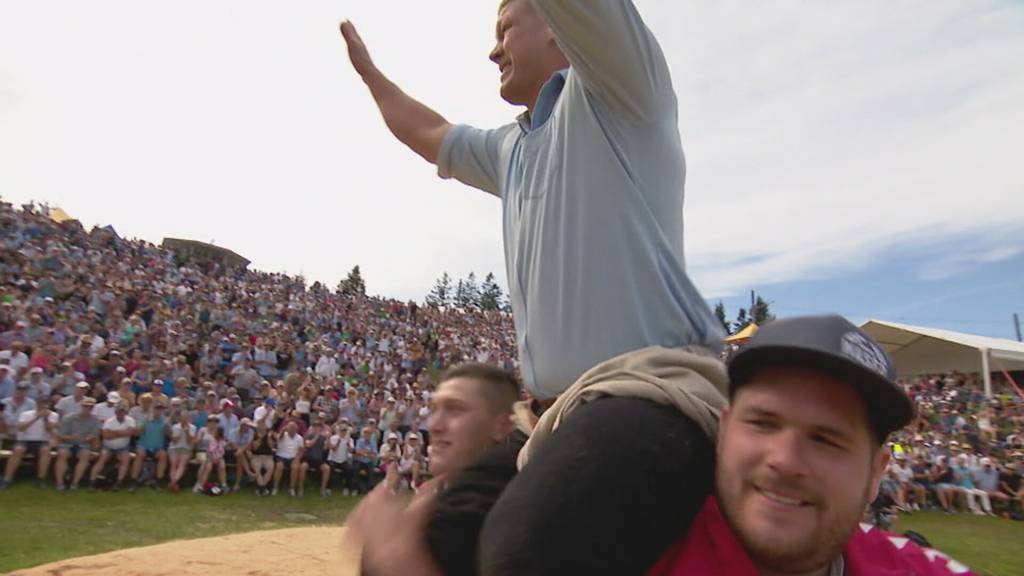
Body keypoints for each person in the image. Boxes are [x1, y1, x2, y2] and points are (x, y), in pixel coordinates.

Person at [342, 2, 728, 573]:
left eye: (504, 30)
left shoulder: (623, 91)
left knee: (527, 549)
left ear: (558, 24)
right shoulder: (511, 148)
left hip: (647, 394)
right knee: (439, 540)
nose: (493, 50)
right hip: (551, 418)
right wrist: (373, 78)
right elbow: (429, 132)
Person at [647, 315, 974, 575]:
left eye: (826, 439)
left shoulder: (916, 569)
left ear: (876, 474)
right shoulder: (629, 546)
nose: (785, 460)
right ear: (724, 432)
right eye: (762, 423)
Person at [350, 363, 523, 576]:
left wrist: (391, 553)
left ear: (502, 426)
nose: (433, 425)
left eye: (455, 409)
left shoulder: (509, 506)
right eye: (434, 409)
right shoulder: (436, 495)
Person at [1, 395, 58, 490]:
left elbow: (50, 430)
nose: (43, 405)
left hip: (42, 441)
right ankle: (7, 478)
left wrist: (45, 419)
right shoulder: (26, 414)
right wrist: (37, 417)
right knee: (18, 450)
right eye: (41, 403)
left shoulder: (53, 415)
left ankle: (41, 479)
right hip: (24, 440)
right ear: (37, 404)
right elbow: (21, 428)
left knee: (45, 450)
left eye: (46, 403)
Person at [53, 397, 100, 491]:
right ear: (81, 406)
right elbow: (60, 435)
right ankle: (60, 483)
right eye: (86, 406)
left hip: (83, 445)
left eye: (91, 407)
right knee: (62, 454)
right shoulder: (68, 418)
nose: (88, 408)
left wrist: (90, 438)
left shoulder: (94, 420)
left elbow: (94, 435)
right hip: (67, 443)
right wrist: (71, 438)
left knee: (85, 456)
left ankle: (75, 483)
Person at [89, 401, 136, 491]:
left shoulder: (130, 420)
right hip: (108, 446)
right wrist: (123, 433)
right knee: (102, 459)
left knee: (125, 459)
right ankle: (92, 481)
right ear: (116, 412)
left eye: (123, 411)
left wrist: (114, 432)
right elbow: (106, 436)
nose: (121, 413)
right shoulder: (109, 421)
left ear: (126, 412)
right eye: (119, 411)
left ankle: (118, 482)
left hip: (123, 447)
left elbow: (130, 433)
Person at [130, 401, 169, 491]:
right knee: (139, 455)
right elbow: (136, 433)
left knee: (163, 455)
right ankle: (133, 481)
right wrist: (145, 424)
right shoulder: (145, 419)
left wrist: (167, 427)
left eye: (160, 409)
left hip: (157, 448)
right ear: (152, 409)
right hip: (144, 446)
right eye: (156, 409)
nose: (158, 411)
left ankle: (157, 481)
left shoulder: (165, 420)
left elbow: (170, 435)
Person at [299, 412, 332, 498]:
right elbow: (308, 445)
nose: (317, 428)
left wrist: (328, 441)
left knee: (327, 469)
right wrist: (317, 435)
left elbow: (325, 448)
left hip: (319, 460)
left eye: (319, 427)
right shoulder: (308, 436)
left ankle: (323, 489)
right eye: (315, 427)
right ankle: (300, 489)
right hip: (308, 459)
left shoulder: (323, 438)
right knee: (303, 467)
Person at [167, 410, 197, 493]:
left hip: (186, 448)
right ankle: (175, 484)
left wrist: (187, 432)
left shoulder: (193, 427)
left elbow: (190, 441)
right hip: (174, 447)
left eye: (186, 417)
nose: (184, 419)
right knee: (174, 464)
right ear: (180, 418)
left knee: (182, 463)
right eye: (183, 417)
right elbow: (174, 441)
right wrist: (180, 431)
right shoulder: (175, 427)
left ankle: (173, 482)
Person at [272, 420, 303, 497]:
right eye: (290, 427)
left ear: (296, 429)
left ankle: (291, 488)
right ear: (287, 428)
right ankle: (275, 487)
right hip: (281, 456)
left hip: (293, 457)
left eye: (294, 427)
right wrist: (282, 431)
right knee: (279, 466)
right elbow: (278, 439)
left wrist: (297, 458)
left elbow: (301, 450)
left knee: (295, 467)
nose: (292, 429)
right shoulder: (283, 435)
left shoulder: (299, 438)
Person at [327, 421, 356, 496]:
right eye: (342, 430)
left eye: (345, 430)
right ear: (339, 430)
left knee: (349, 469)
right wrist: (338, 442)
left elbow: (351, 451)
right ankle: (328, 487)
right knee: (330, 469)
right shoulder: (333, 438)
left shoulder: (350, 440)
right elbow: (333, 449)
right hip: (333, 459)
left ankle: (346, 487)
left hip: (343, 460)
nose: (343, 432)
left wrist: (348, 444)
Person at [249, 420, 276, 496]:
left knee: (270, 468)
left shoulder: (270, 435)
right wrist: (260, 438)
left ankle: (261, 487)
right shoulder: (254, 435)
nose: (261, 427)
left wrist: (268, 437)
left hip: (268, 456)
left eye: (263, 425)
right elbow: (254, 448)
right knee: (257, 469)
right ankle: (263, 488)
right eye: (259, 425)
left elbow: (272, 446)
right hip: (256, 456)